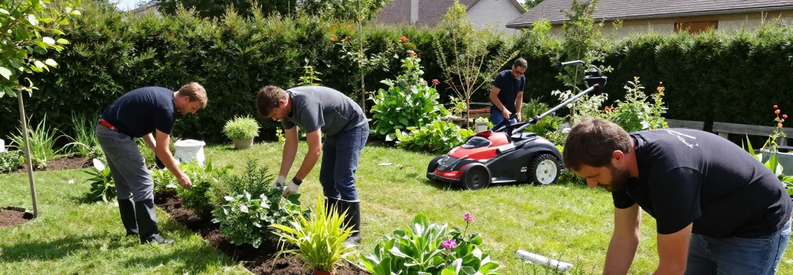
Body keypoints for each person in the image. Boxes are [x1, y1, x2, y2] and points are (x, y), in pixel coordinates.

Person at [563, 118, 792, 275]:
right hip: (709, 224)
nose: (591, 185)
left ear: (617, 157)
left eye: (593, 176)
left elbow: (672, 268)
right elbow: (625, 237)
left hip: (756, 227)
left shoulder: (670, 174)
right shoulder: (620, 164)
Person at [256, 85, 369, 245]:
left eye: (274, 115)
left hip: (353, 126)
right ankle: (333, 226)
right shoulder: (286, 110)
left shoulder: (306, 105)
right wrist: (281, 178)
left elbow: (315, 150)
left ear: (282, 102)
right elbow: (291, 143)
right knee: (327, 179)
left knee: (343, 179)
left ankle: (354, 235)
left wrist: (296, 181)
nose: (274, 119)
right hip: (335, 131)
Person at [96, 83, 207, 244]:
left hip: (107, 129)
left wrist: (155, 148)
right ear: (186, 99)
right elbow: (164, 150)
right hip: (115, 135)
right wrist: (180, 175)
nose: (192, 112)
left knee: (124, 182)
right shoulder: (166, 109)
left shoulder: (162, 96)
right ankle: (150, 237)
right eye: (193, 108)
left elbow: (142, 124)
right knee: (144, 182)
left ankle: (133, 229)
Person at [489, 58, 527, 126]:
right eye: (517, 72)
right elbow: (492, 95)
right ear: (513, 67)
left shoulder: (522, 78)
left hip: (511, 112)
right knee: (500, 130)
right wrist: (503, 109)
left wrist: (518, 112)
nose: (518, 75)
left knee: (514, 131)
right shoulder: (502, 76)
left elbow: (519, 96)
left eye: (521, 73)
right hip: (498, 111)